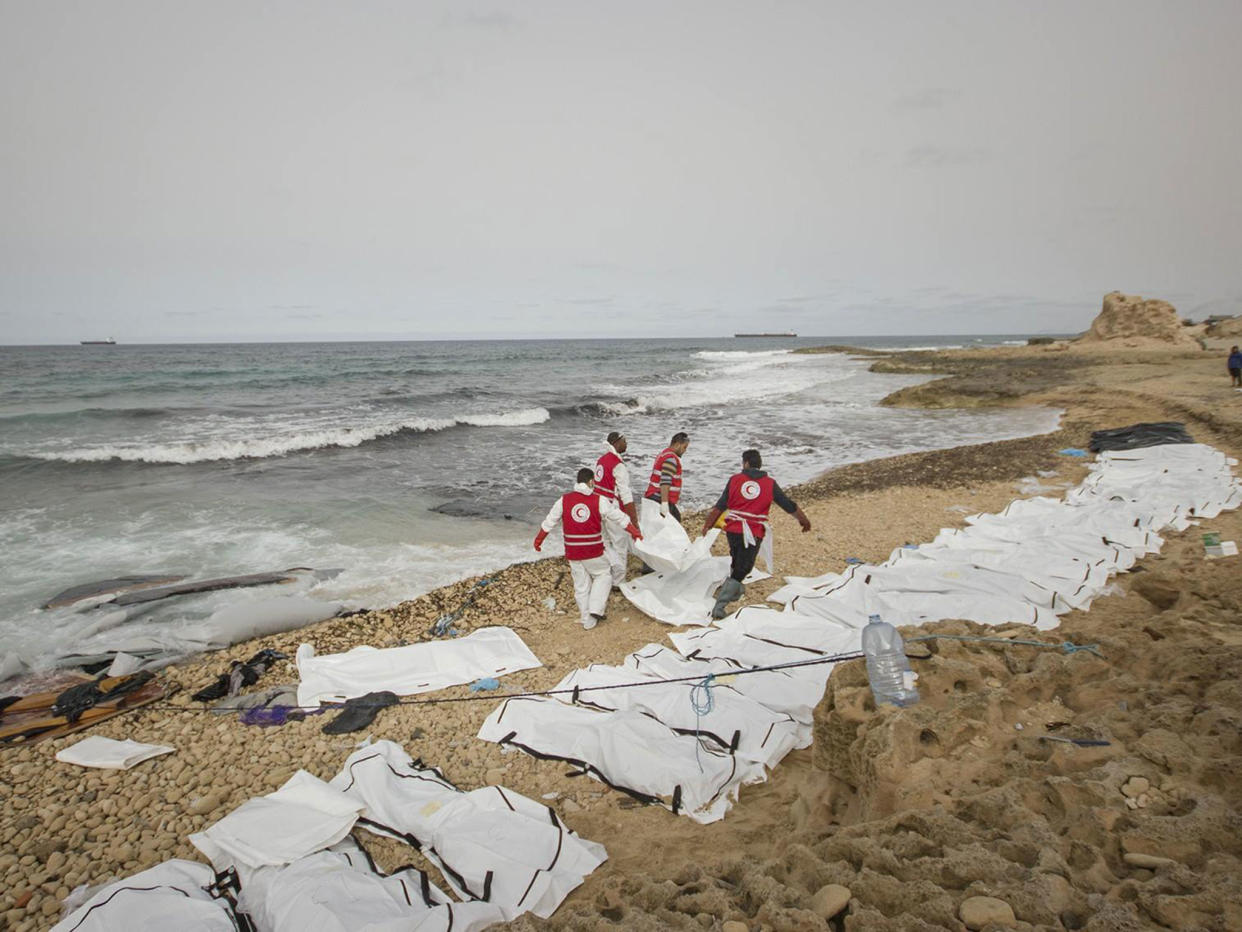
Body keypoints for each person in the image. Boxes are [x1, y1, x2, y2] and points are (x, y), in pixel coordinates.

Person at [700, 448, 811, 619]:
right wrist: (803, 519)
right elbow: (788, 504)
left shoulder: (734, 480)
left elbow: (720, 505)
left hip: (733, 529)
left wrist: (708, 525)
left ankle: (734, 589)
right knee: (744, 567)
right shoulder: (770, 483)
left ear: (745, 463)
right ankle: (720, 605)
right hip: (753, 530)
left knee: (737, 559)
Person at [534, 467, 642, 629]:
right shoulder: (599, 500)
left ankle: (585, 617)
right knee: (603, 575)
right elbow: (618, 517)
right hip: (593, 551)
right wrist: (634, 532)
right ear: (591, 482)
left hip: (572, 552)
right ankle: (595, 611)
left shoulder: (563, 500)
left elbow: (549, 522)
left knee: (581, 585)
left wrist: (538, 541)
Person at [594, 431, 638, 586]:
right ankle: (618, 582)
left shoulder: (601, 460)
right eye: (624, 440)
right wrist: (634, 521)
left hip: (597, 506)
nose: (626, 443)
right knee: (620, 544)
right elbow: (625, 494)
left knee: (605, 543)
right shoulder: (618, 465)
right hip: (611, 508)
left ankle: (604, 575)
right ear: (617, 442)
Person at [643, 432, 690, 521]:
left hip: (654, 496)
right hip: (659, 498)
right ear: (677, 444)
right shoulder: (671, 459)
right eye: (684, 447)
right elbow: (665, 481)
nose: (685, 451)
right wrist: (664, 503)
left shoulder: (663, 454)